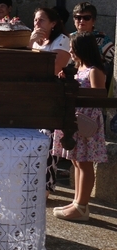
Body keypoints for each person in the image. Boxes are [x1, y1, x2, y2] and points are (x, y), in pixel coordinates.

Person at [51, 32, 108, 222]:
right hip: (75, 120)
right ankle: (76, 201)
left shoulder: (94, 70)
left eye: (73, 49)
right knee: (76, 161)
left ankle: (82, 206)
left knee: (84, 163)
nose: (70, 52)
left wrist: (75, 88)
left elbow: (99, 96)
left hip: (86, 121)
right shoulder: (79, 68)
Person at [30, 7, 71, 196]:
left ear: (53, 23)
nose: (37, 23)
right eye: (35, 20)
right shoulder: (36, 42)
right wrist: (29, 42)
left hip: (51, 98)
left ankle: (46, 186)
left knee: (47, 143)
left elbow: (54, 68)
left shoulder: (62, 41)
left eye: (42, 20)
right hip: (34, 97)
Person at [69, 2, 114, 94]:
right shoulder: (70, 38)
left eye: (86, 18)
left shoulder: (102, 39)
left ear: (93, 21)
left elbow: (114, 62)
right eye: (78, 17)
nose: (81, 21)